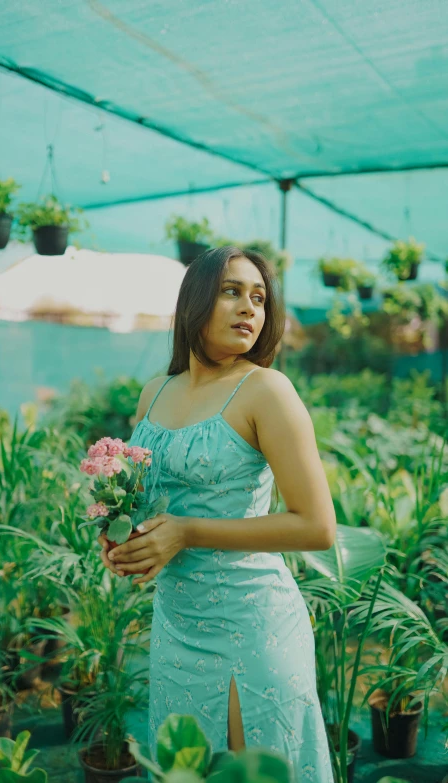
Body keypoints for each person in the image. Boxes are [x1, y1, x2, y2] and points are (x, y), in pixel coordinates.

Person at [99, 246, 336, 782]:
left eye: (259, 298)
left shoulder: (266, 391)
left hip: (252, 624)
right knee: (187, 772)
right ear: (195, 302)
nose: (250, 308)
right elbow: (148, 496)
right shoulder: (154, 392)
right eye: (232, 292)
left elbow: (317, 525)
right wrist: (122, 537)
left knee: (250, 773)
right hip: (176, 623)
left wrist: (186, 533)